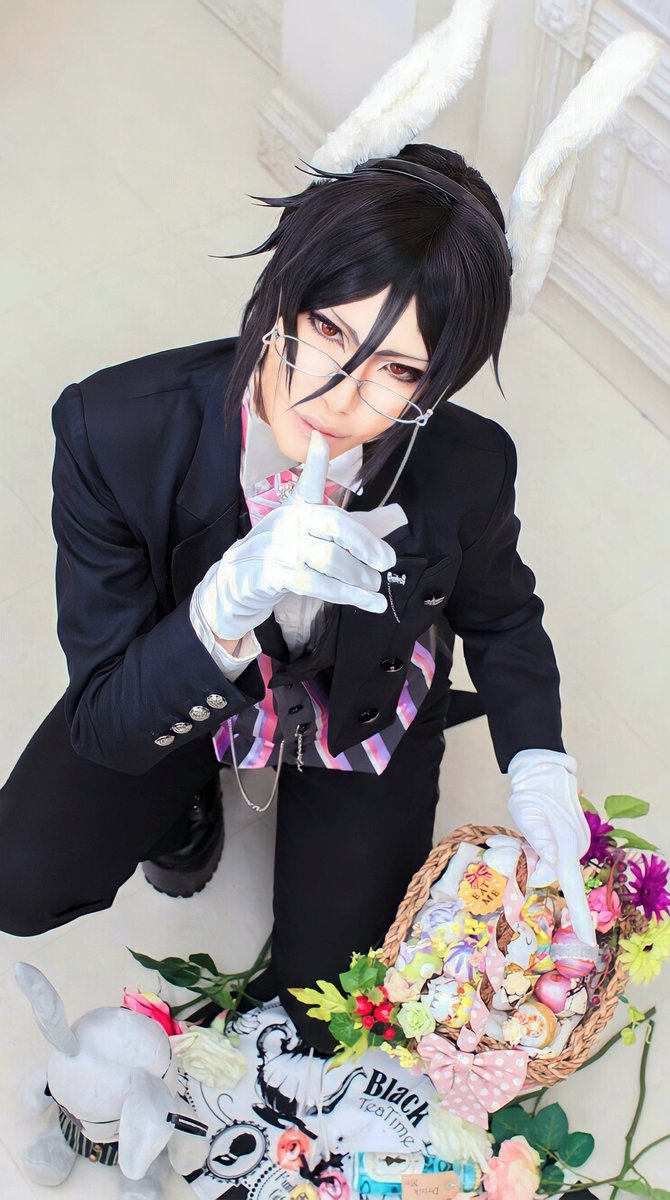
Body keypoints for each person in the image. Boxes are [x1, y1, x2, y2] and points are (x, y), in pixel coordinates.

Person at [0, 142, 593, 1053]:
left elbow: (504, 616)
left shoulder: (469, 462)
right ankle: (189, 803)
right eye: (327, 330)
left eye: (398, 371)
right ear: (284, 290)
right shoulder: (113, 429)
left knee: (326, 1007)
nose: (339, 396)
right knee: (20, 878)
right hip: (187, 680)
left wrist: (540, 764)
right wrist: (219, 611)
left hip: (366, 699)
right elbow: (107, 721)